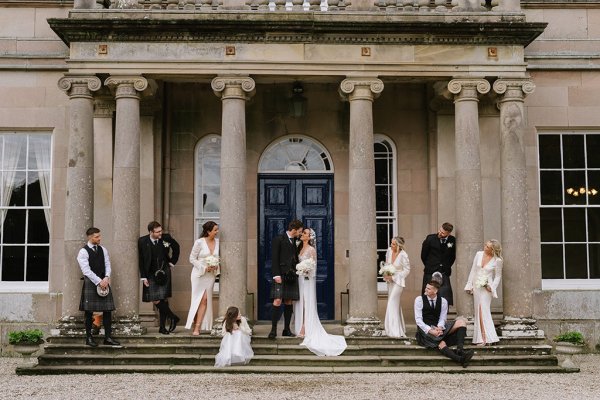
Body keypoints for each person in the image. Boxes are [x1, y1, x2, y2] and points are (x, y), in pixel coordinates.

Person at [293, 228, 346, 356]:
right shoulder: (299, 248)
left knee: (307, 303)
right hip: (299, 278)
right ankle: (300, 326)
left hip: (307, 279)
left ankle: (306, 328)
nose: (302, 234)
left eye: (304, 233)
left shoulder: (311, 250)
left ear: (310, 237)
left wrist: (306, 271)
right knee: (300, 302)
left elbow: (313, 266)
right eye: (303, 233)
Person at [414, 280, 474, 367]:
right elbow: (418, 320)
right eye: (426, 288)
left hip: (438, 327)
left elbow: (442, 317)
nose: (426, 290)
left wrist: (440, 327)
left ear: (435, 291)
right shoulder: (419, 300)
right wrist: (431, 330)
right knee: (441, 342)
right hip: (425, 329)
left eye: (429, 289)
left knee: (461, 322)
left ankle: (460, 350)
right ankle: (461, 359)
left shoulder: (443, 301)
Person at [77, 227, 120, 347]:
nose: (99, 238)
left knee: (107, 310)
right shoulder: (83, 252)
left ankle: (108, 337)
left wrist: (106, 277)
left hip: (104, 282)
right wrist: (99, 281)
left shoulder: (103, 250)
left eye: (99, 236)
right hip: (91, 283)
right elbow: (86, 271)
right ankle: (88, 338)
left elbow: (108, 264)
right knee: (89, 312)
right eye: (97, 237)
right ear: (90, 237)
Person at [138, 221, 181, 335]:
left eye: (161, 231)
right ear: (151, 232)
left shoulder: (166, 238)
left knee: (163, 299)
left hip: (164, 271)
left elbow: (176, 247)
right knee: (155, 299)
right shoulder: (142, 241)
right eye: (157, 232)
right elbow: (141, 260)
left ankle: (162, 327)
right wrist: (143, 277)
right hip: (150, 273)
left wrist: (172, 262)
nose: (160, 233)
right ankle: (172, 317)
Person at [464, 239, 503, 346]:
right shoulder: (479, 254)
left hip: (487, 289)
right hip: (477, 287)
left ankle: (486, 338)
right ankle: (482, 338)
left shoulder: (498, 260)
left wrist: (492, 287)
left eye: (487, 247)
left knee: (483, 310)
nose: (485, 247)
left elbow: (498, 276)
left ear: (493, 250)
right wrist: (469, 285)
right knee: (478, 311)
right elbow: (473, 270)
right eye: (485, 245)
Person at [269, 219, 303, 339]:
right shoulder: (278, 239)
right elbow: (274, 258)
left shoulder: (295, 241)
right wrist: (276, 275)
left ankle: (286, 329)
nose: (300, 233)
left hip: (291, 275)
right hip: (280, 275)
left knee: (289, 301)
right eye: (299, 231)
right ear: (293, 230)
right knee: (277, 301)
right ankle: (273, 330)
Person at [185, 220, 220, 335]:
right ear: (208, 231)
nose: (217, 232)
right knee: (198, 300)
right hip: (198, 275)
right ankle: (196, 326)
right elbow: (192, 258)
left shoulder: (218, 242)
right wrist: (204, 267)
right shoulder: (199, 242)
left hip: (210, 276)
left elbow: (219, 258)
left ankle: (198, 326)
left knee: (205, 299)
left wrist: (215, 266)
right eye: (215, 230)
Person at [421, 222, 456, 306]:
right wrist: (430, 265)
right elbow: (423, 255)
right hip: (430, 271)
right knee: (428, 294)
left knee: (445, 297)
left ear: (449, 233)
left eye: (443, 233)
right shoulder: (430, 238)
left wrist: (445, 266)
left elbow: (452, 256)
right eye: (440, 230)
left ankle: (443, 317)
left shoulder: (452, 240)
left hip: (444, 272)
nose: (440, 233)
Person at [383, 236, 411, 338]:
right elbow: (387, 264)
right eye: (391, 243)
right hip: (389, 282)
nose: (391, 245)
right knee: (395, 305)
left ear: (399, 245)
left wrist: (394, 277)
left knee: (392, 303)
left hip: (398, 282)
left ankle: (394, 331)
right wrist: (386, 274)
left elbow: (407, 270)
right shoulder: (389, 251)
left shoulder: (403, 255)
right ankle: (398, 328)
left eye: (394, 244)